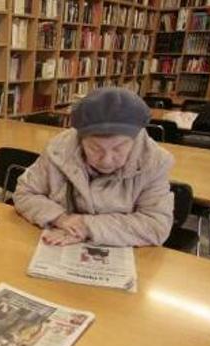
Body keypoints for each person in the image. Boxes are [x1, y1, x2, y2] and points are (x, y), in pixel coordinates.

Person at [14, 87, 174, 247]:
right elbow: (24, 193)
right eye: (95, 148)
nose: (106, 160)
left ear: (135, 139)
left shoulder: (154, 162)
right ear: (80, 139)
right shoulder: (59, 150)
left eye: (119, 148)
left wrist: (86, 226)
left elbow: (156, 225)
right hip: (57, 241)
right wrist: (60, 218)